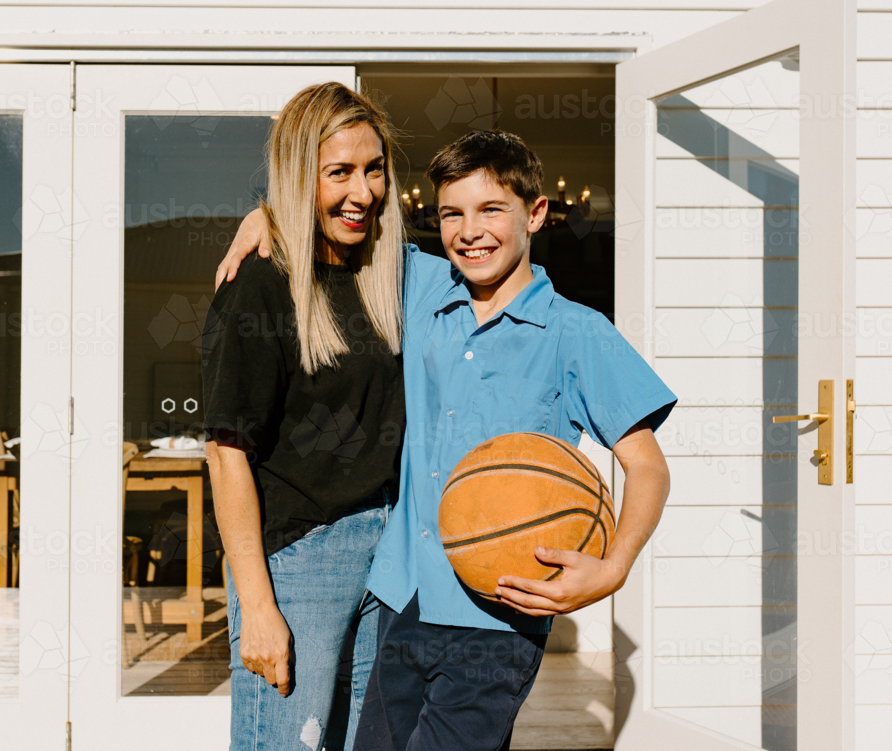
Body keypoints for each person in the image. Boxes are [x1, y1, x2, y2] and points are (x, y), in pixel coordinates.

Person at [217, 131, 676, 751]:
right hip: (401, 597)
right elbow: (333, 221)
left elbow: (646, 466)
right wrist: (263, 218)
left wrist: (614, 567)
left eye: (492, 210)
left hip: (501, 610)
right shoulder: (426, 289)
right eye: (452, 214)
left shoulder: (577, 331)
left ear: (536, 213)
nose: (470, 231)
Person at [201, 82, 407, 751]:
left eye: (373, 169)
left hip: (386, 550)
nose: (362, 191)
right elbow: (227, 451)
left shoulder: (390, 271)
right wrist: (257, 606)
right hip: (299, 560)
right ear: (299, 174)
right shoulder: (261, 283)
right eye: (338, 172)